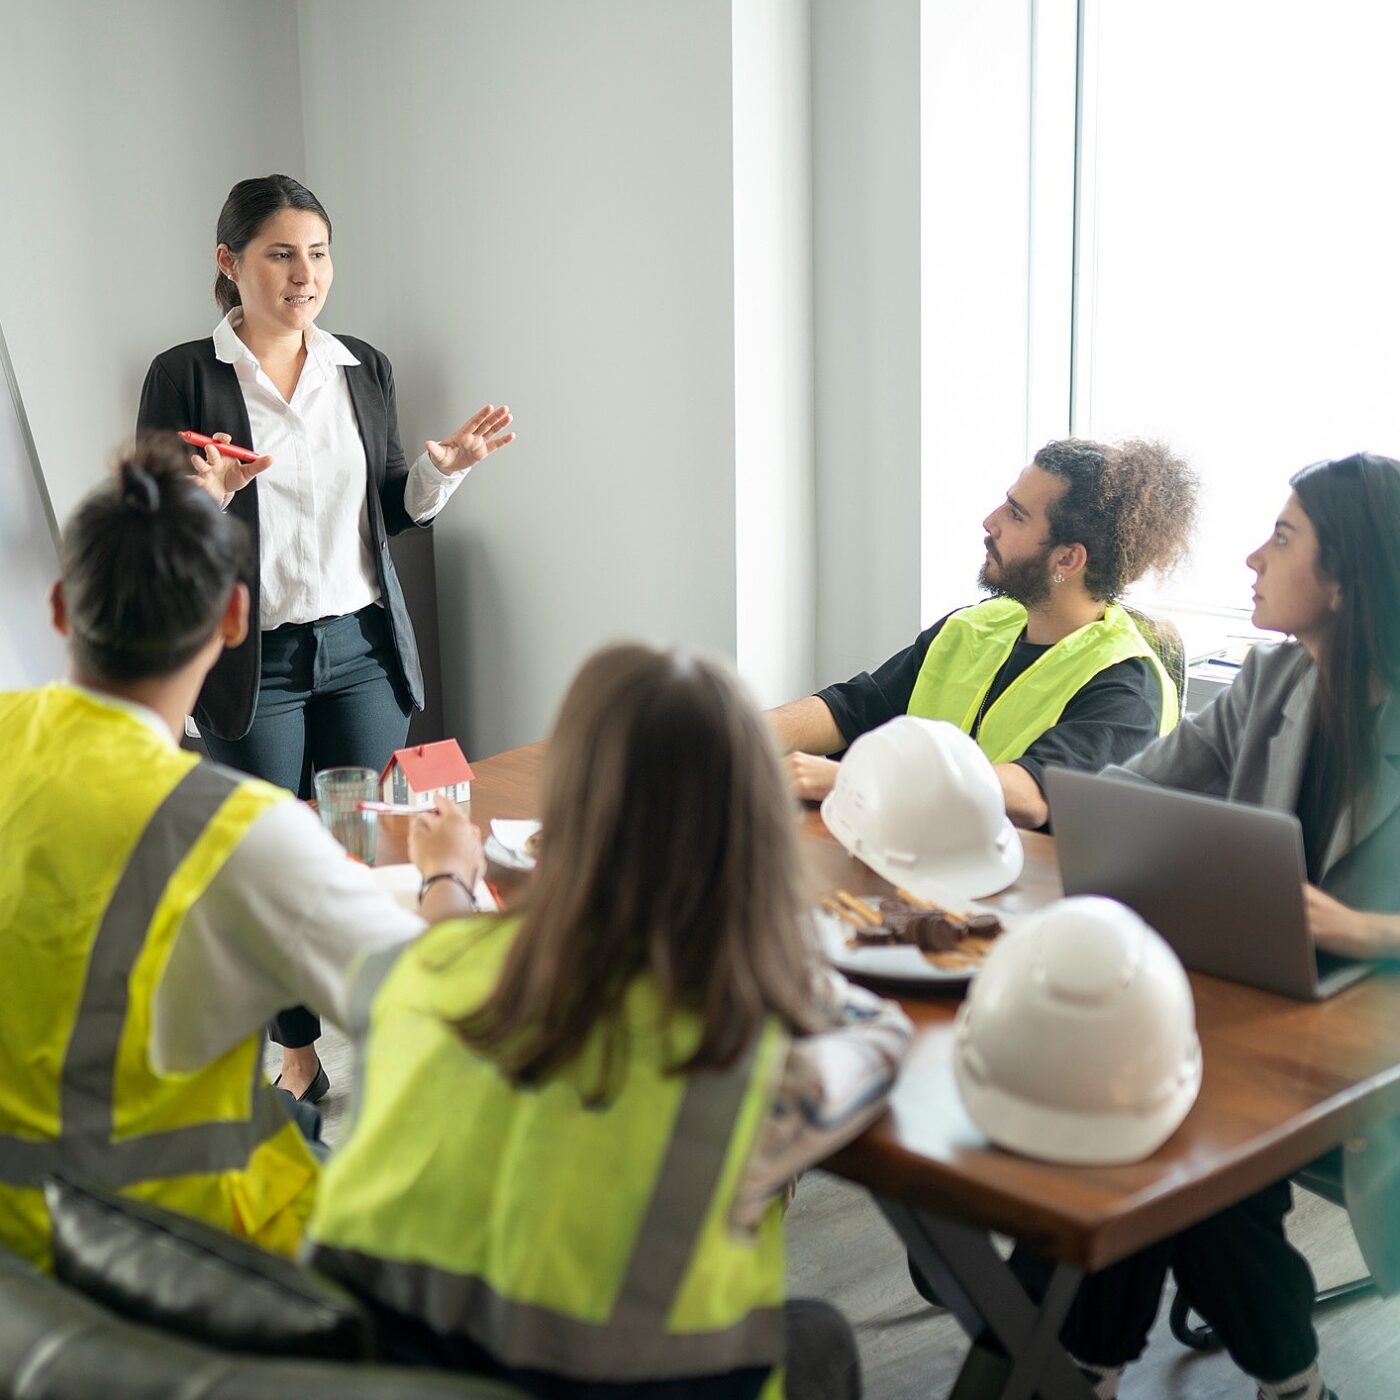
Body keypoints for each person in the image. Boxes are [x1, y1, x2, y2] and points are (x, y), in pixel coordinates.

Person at [306, 644, 914, 1400]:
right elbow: (885, 1041)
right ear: (753, 835)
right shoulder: (757, 1059)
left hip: (373, 1377)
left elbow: (450, 941)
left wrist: (446, 879)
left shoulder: (414, 973)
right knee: (817, 1338)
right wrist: (773, 950)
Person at [0, 438, 482, 1271]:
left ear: (58, 608)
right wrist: (448, 872)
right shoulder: (238, 830)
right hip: (182, 1258)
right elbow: (437, 1000)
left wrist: (205, 503)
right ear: (233, 618)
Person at [999, 452, 1400, 1400]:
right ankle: (1243, 1376)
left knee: (1190, 1150)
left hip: (1373, 1032)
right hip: (1260, 1010)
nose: (1254, 559)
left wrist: (1363, 929)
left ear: (1343, 579)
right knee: (1163, 1128)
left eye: (1284, 537)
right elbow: (1121, 798)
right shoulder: (1270, 685)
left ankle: (1075, 1354)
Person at [137, 174, 516, 1099]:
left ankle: (395, 1040)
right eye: (279, 253)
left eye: (317, 252)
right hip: (250, 665)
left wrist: (442, 472)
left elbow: (389, 510)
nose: (304, 274)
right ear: (229, 264)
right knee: (271, 869)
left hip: (360, 651)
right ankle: (297, 1047)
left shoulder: (363, 368)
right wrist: (207, 500)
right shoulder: (185, 375)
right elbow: (152, 523)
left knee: (371, 856)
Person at [768, 438, 1199, 828]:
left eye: (1016, 515)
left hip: (1026, 894)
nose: (990, 521)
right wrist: (740, 734)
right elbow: (854, 709)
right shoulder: (976, 626)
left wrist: (858, 779)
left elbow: (1032, 795)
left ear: (1067, 560)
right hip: (920, 860)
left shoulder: (1126, 685)